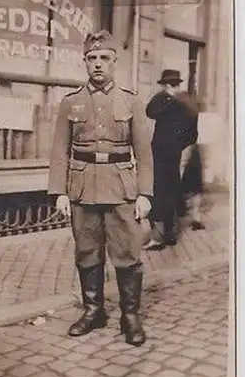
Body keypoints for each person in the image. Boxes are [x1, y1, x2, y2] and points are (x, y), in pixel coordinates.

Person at [47, 30, 153, 347]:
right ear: (84, 62)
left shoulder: (131, 100)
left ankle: (130, 316)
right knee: (87, 253)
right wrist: (60, 192)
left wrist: (145, 194)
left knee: (127, 254)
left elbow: (145, 153)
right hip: (82, 189)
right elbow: (58, 151)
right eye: (91, 58)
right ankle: (94, 311)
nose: (97, 64)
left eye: (104, 58)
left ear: (114, 62)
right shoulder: (71, 103)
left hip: (122, 189)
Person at [144, 69, 198, 251]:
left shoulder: (174, 101)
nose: (171, 87)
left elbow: (150, 111)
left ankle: (161, 237)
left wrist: (178, 147)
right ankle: (169, 235)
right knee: (167, 191)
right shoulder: (178, 102)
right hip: (168, 153)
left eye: (170, 85)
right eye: (172, 84)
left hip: (165, 154)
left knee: (163, 192)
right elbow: (150, 112)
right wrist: (179, 146)